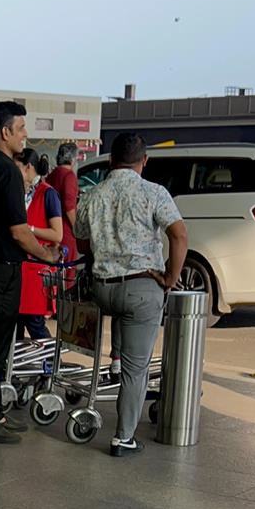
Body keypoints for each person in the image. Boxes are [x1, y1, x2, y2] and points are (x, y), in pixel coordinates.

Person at [75, 131, 188, 457]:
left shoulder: (92, 196)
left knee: (123, 325)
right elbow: (179, 235)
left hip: (102, 290)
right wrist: (170, 277)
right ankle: (123, 437)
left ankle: (114, 357)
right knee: (136, 371)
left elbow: (83, 243)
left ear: (111, 160)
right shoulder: (153, 192)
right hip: (141, 289)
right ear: (144, 161)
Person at [0, 100, 57, 444]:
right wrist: (46, 256)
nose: (25, 135)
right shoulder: (7, 172)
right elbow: (20, 231)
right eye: (21, 129)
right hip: (1, 272)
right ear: (5, 133)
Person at [15, 148, 63, 341]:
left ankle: (51, 361)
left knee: (34, 322)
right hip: (20, 268)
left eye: (16, 167)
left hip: (37, 269)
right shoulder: (19, 191)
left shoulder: (48, 194)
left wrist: (29, 229)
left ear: (28, 167)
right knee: (16, 322)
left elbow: (57, 234)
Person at [46, 141, 79, 264]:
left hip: (51, 231)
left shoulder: (52, 175)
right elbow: (69, 207)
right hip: (65, 232)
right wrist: (77, 230)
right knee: (67, 274)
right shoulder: (69, 176)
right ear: (73, 159)